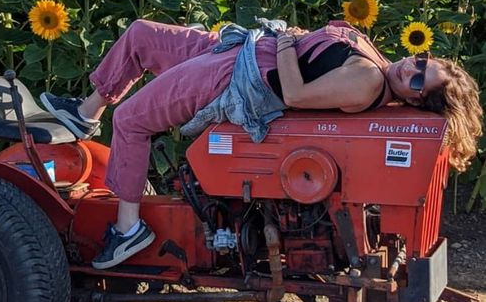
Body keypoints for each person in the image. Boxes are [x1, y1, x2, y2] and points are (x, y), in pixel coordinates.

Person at [39, 19, 482, 270]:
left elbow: (294, 94)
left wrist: (285, 41)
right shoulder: (382, 66)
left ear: (416, 99)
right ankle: (85, 111)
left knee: (133, 119)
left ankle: (129, 228)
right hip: (239, 50)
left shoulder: (367, 82)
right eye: (424, 61)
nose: (414, 68)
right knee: (140, 35)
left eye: (421, 81)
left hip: (234, 77)